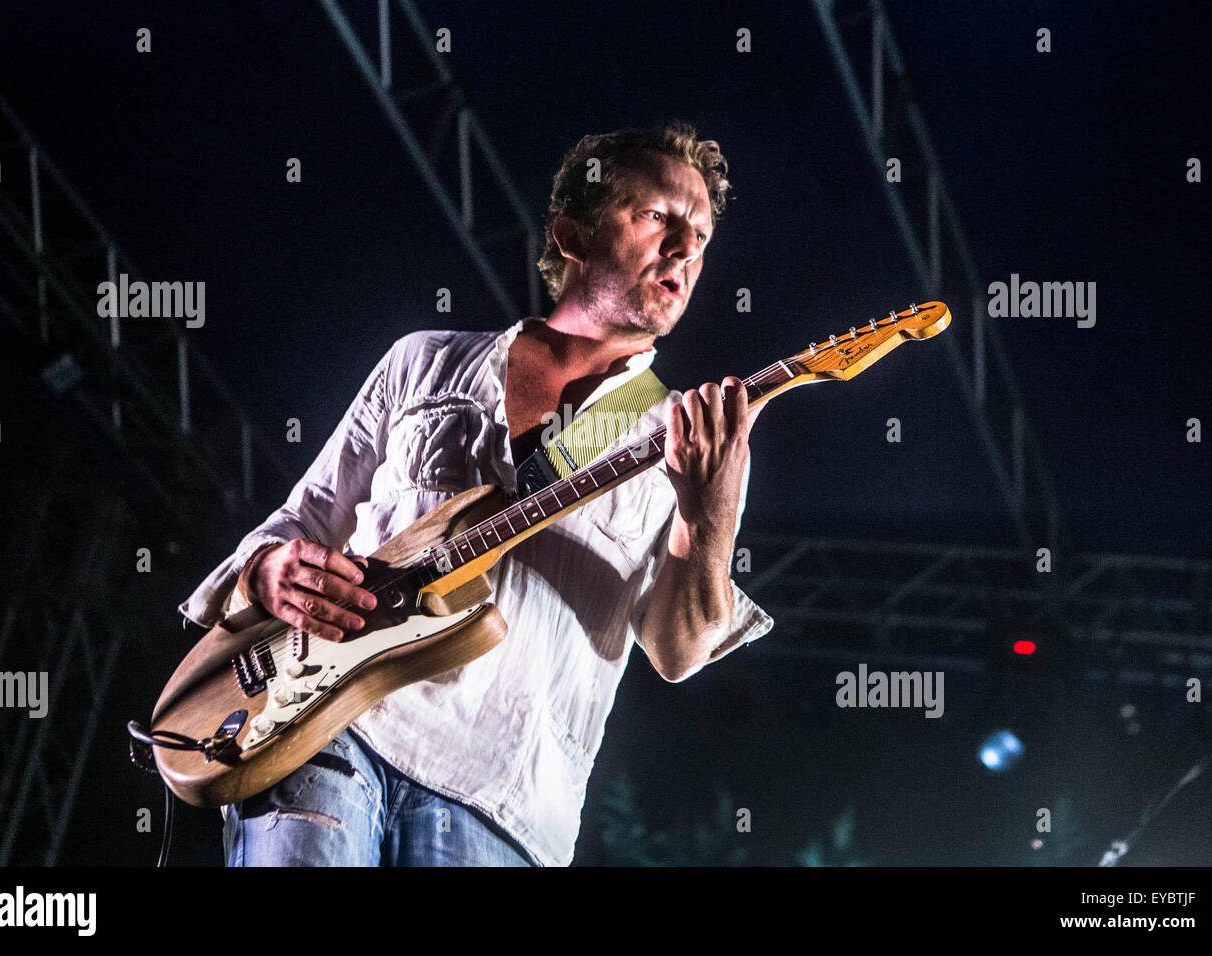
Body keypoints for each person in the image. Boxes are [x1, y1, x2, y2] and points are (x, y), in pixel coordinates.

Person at [178, 121, 774, 866]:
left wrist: (708, 515)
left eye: (702, 234)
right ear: (573, 235)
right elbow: (302, 518)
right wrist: (269, 571)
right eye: (657, 216)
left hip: (504, 802)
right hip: (331, 722)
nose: (686, 248)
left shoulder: (691, 438)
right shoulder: (423, 361)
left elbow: (680, 650)